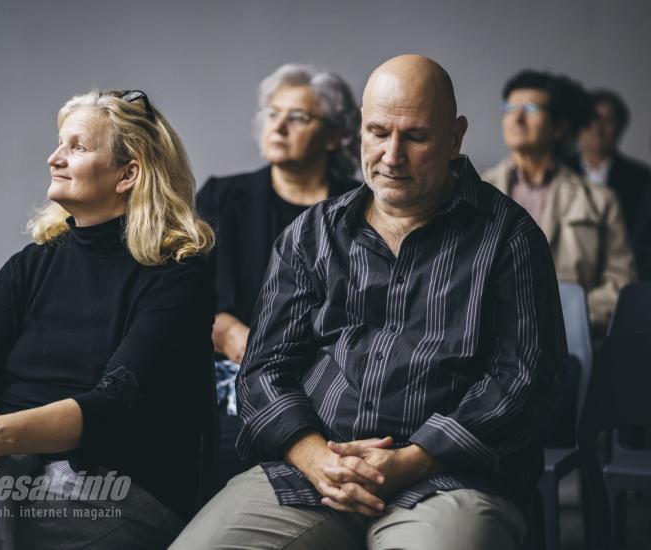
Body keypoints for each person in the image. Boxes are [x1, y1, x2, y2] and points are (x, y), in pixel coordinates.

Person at [171, 55, 566, 550]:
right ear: (360, 129)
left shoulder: (508, 236)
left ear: (455, 137)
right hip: (312, 475)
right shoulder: (312, 234)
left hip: (449, 481)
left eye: (416, 137)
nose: (392, 155)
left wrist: (417, 458)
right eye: (378, 132)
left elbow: (526, 377)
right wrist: (316, 457)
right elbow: (263, 370)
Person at [0, 89, 215, 549]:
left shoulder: (177, 276)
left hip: (118, 482)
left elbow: (114, 404)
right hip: (9, 459)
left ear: (129, 174)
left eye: (77, 147)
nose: (54, 158)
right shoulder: (28, 266)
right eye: (59, 144)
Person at [196, 64, 361, 484]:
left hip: (333, 382)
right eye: (273, 113)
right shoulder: (223, 197)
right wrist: (230, 331)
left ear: (335, 134)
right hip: (232, 383)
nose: (279, 126)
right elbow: (179, 297)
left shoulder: (361, 207)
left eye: (298, 117)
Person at [483, 70, 635, 335]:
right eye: (510, 108)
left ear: (559, 127)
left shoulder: (599, 200)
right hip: (488, 339)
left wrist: (566, 315)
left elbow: (621, 283)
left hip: (570, 345)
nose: (517, 118)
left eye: (530, 108)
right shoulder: (478, 191)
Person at [574, 89, 651, 279]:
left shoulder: (642, 178)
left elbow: (642, 242)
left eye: (607, 121)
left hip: (626, 278)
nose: (597, 128)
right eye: (591, 119)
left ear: (620, 128)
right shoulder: (559, 172)